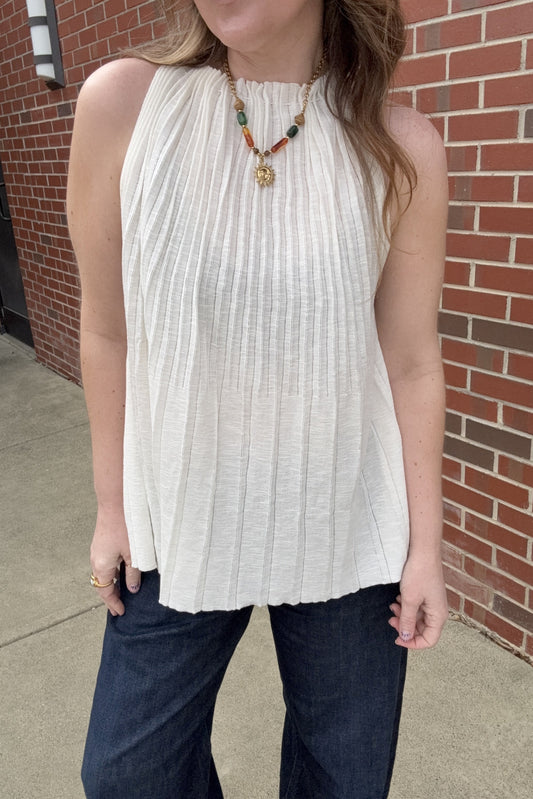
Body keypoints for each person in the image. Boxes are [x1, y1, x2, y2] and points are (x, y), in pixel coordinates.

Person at [67, 1, 449, 796]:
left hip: (347, 525)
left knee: (343, 780)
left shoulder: (399, 144)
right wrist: (112, 507)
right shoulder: (124, 107)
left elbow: (410, 361)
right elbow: (108, 330)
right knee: (127, 776)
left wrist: (424, 550)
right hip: (178, 516)